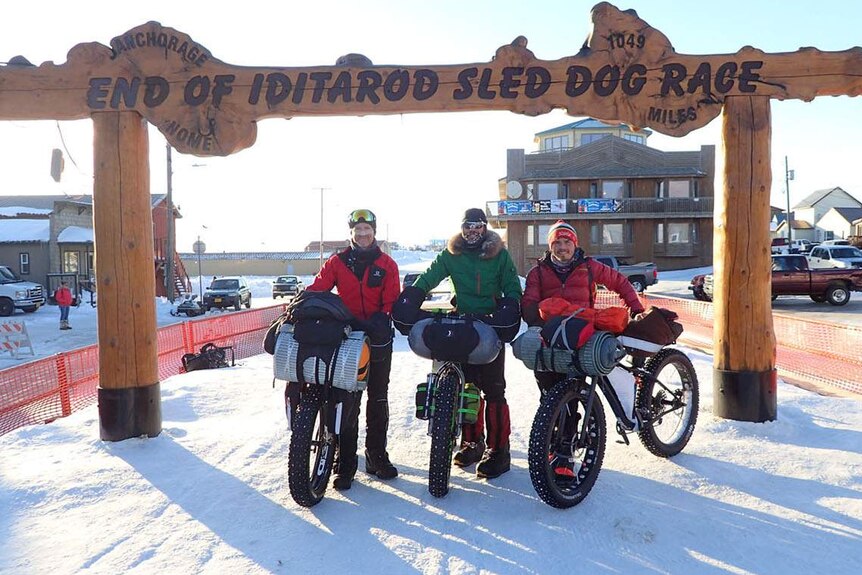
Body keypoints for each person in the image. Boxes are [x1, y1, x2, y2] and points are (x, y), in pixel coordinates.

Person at [402, 208, 522, 479]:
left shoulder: (499, 255)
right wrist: (413, 296)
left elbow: (512, 286)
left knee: (493, 391)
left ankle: (499, 450)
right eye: (468, 226)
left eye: (477, 226)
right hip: (462, 327)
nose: (472, 231)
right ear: (462, 228)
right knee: (462, 387)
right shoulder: (451, 254)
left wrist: (509, 306)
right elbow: (429, 277)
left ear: (485, 228)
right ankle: (472, 442)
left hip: (490, 327)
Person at [305, 208, 401, 490]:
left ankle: (376, 456)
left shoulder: (386, 264)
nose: (362, 235)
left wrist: (380, 318)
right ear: (351, 233)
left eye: (366, 230)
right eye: (357, 231)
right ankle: (345, 464)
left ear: (374, 232)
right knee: (347, 398)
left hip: (378, 338)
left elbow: (391, 300)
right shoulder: (338, 262)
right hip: (347, 339)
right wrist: (303, 302)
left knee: (377, 397)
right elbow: (319, 288)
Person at [521, 219, 645, 392]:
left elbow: (620, 282)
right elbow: (529, 303)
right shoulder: (538, 273)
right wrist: (538, 326)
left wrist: (636, 309)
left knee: (578, 389)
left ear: (575, 244)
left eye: (567, 242)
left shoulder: (589, 266)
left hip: (581, 336)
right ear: (550, 245)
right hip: (550, 337)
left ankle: (591, 414)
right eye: (557, 242)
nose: (562, 247)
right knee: (548, 392)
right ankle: (556, 417)